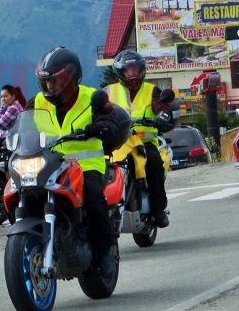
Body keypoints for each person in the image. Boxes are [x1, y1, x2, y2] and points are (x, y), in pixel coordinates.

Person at [33, 46, 130, 278]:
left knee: (92, 197)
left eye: (55, 81)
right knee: (26, 190)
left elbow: (115, 119)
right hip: (51, 164)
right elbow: (22, 123)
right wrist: (4, 137)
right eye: (46, 82)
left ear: (70, 77)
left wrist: (103, 126)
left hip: (87, 166)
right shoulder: (37, 101)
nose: (50, 87)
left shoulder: (91, 98)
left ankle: (104, 252)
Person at [106, 50, 173, 228]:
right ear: (120, 72)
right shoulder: (109, 91)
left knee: (153, 163)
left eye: (136, 69)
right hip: (118, 142)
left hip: (144, 142)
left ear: (142, 70)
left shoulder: (152, 91)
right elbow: (97, 109)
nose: (133, 74)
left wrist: (164, 116)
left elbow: (164, 107)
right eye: (128, 70)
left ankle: (158, 209)